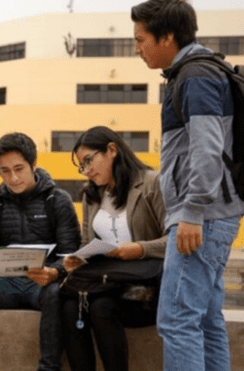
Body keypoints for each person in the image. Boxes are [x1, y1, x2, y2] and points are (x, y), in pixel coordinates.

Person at [131, 1, 244, 370]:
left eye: (140, 39)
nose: (137, 48)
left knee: (176, 321)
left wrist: (192, 213)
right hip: (214, 214)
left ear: (167, 36)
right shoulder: (196, 73)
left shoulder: (195, 76)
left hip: (202, 218)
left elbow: (207, 150)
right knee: (207, 321)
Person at [0, 133, 81, 371]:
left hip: (41, 285)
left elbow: (70, 255)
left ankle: (49, 367)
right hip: (4, 284)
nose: (13, 178)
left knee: (56, 294)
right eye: (5, 171)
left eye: (19, 168)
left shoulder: (58, 200)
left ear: (34, 164)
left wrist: (53, 272)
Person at [61, 126, 166, 371]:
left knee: (100, 307)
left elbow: (176, 239)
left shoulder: (152, 183)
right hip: (107, 281)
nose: (86, 171)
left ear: (112, 150)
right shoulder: (91, 195)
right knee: (67, 306)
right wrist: (79, 259)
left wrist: (139, 249)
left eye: (88, 161)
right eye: (81, 166)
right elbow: (88, 244)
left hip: (142, 289)